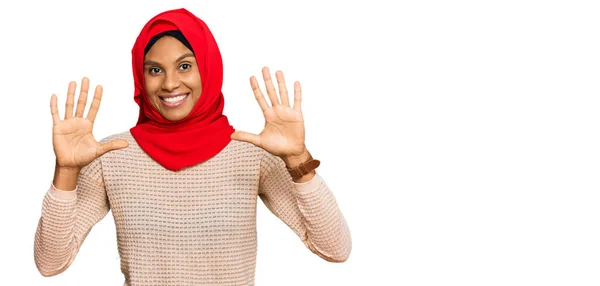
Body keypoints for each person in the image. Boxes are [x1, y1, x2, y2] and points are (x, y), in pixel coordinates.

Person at [33, 7, 351, 286]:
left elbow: (335, 248)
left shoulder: (250, 152)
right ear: (141, 78)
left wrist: (298, 158)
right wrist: (67, 171)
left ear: (208, 68)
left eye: (185, 66)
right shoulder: (112, 155)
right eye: (155, 70)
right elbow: (50, 264)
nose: (170, 83)